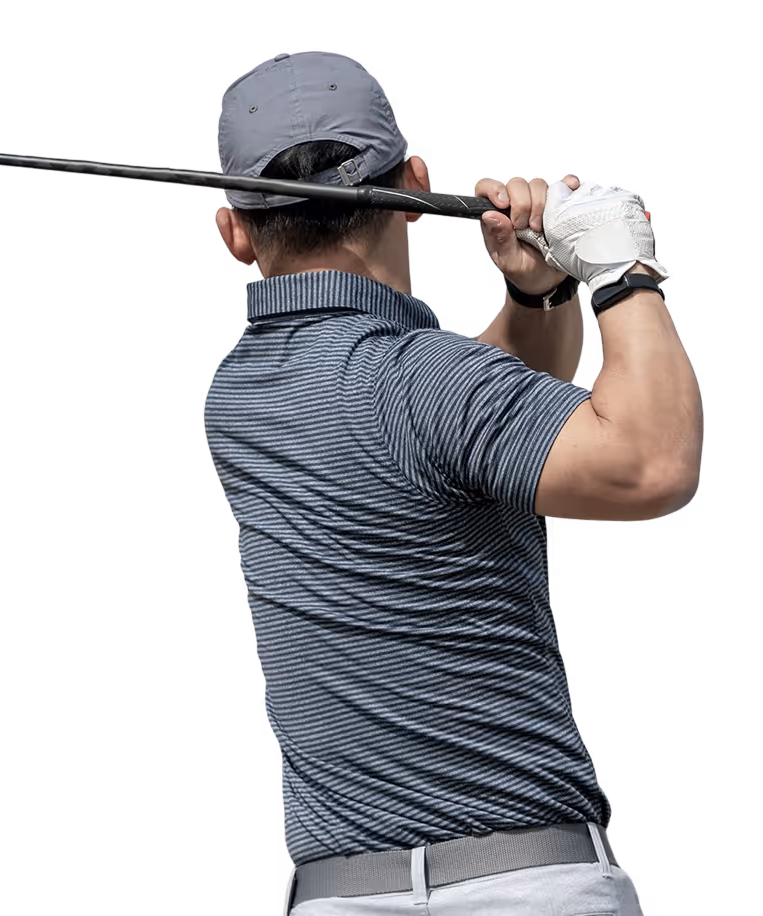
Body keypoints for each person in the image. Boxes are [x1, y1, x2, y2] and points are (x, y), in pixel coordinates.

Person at [203, 51, 702, 915]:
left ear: (235, 231)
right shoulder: (421, 385)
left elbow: (472, 432)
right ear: (416, 184)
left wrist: (536, 296)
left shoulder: (239, 395)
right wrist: (622, 273)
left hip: (334, 898)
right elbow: (651, 467)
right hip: (527, 890)